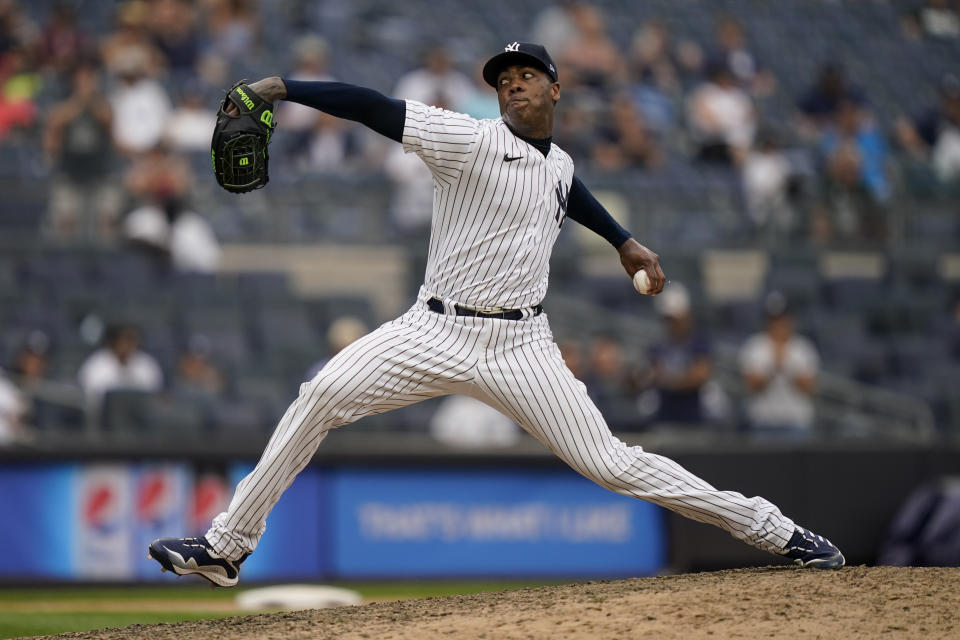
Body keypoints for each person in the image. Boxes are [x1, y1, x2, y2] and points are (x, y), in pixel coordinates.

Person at [148, 42, 844, 587]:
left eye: (527, 72)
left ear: (555, 88)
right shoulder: (469, 139)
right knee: (322, 392)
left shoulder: (560, 165)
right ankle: (226, 547)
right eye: (503, 75)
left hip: (522, 346)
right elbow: (372, 105)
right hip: (434, 329)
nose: (512, 81)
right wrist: (282, 87)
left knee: (612, 465)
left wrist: (625, 242)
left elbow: (569, 191)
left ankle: (773, 530)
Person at [739, 292, 819, 436]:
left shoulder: (803, 347)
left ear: (790, 320)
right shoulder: (755, 346)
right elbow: (752, 385)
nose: (778, 325)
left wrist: (786, 365)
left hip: (796, 423)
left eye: (782, 319)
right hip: (763, 422)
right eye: (774, 320)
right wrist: (773, 367)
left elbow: (808, 387)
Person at [646, 283, 712, 427]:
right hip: (665, 415)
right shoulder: (658, 344)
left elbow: (700, 375)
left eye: (675, 319)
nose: (672, 324)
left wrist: (669, 380)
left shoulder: (698, 342)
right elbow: (652, 374)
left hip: (691, 417)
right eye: (668, 319)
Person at [77, 323, 163, 408]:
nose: (129, 344)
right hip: (104, 416)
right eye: (126, 339)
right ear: (113, 341)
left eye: (132, 339)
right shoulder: (95, 366)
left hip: (139, 416)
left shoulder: (147, 364)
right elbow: (92, 398)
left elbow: (153, 396)